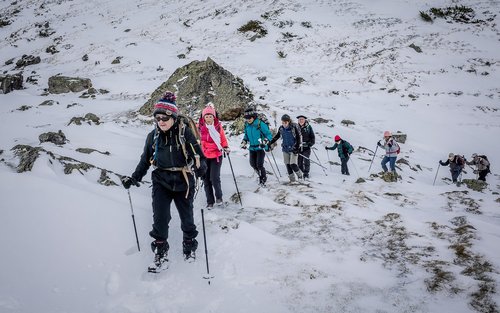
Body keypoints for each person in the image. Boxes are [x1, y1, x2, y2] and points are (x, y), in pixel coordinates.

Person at [121, 91, 207, 272]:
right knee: (160, 219)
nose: (161, 121)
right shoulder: (153, 137)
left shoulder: (185, 134)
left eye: (165, 117)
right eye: (157, 117)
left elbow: (198, 155)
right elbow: (145, 160)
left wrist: (201, 168)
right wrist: (134, 177)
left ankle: (189, 247)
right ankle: (160, 253)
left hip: (183, 181)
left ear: (173, 117)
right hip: (161, 180)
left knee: (187, 219)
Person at [198, 103, 230, 208]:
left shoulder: (218, 127)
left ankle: (219, 197)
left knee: (214, 178)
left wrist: (225, 147)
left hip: (216, 155)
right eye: (206, 116)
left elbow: (223, 139)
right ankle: (210, 201)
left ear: (214, 117)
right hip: (204, 156)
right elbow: (197, 140)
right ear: (203, 118)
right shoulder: (200, 128)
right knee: (206, 179)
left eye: (210, 116)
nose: (208, 118)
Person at [240, 107, 273, 186]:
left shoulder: (260, 124)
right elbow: (246, 135)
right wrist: (244, 141)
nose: (248, 120)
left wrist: (264, 141)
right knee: (252, 164)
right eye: (247, 118)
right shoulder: (247, 125)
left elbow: (269, 135)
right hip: (252, 148)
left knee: (259, 164)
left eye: (249, 118)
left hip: (260, 147)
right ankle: (260, 175)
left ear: (253, 117)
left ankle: (263, 179)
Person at [269, 114, 303, 182]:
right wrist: (270, 143)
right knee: (287, 164)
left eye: (286, 122)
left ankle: (300, 176)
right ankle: (292, 180)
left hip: (293, 149)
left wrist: (297, 148)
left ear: (289, 121)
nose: (284, 124)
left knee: (293, 164)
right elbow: (277, 136)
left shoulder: (293, 128)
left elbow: (298, 138)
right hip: (285, 149)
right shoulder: (281, 128)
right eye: (283, 122)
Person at [296, 115, 315, 179]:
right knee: (299, 162)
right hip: (299, 147)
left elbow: (312, 137)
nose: (301, 120)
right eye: (300, 119)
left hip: (306, 147)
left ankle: (306, 173)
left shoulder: (308, 127)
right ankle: (302, 171)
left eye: (302, 119)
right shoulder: (296, 127)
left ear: (305, 120)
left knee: (306, 159)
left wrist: (310, 143)